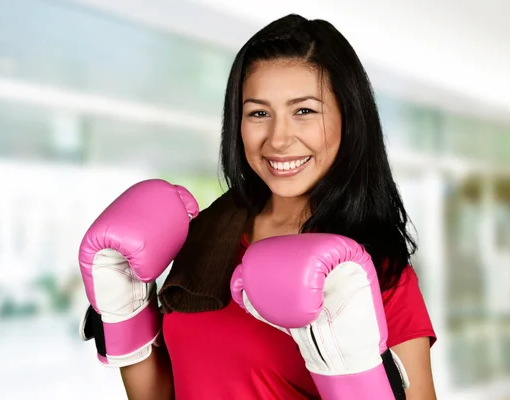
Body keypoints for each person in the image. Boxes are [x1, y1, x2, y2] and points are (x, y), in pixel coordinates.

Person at [78, 14, 437, 400]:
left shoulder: (376, 275)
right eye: (259, 113)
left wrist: (353, 378)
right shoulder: (208, 237)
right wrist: (126, 310)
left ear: (348, 119)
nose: (279, 139)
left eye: (304, 111)